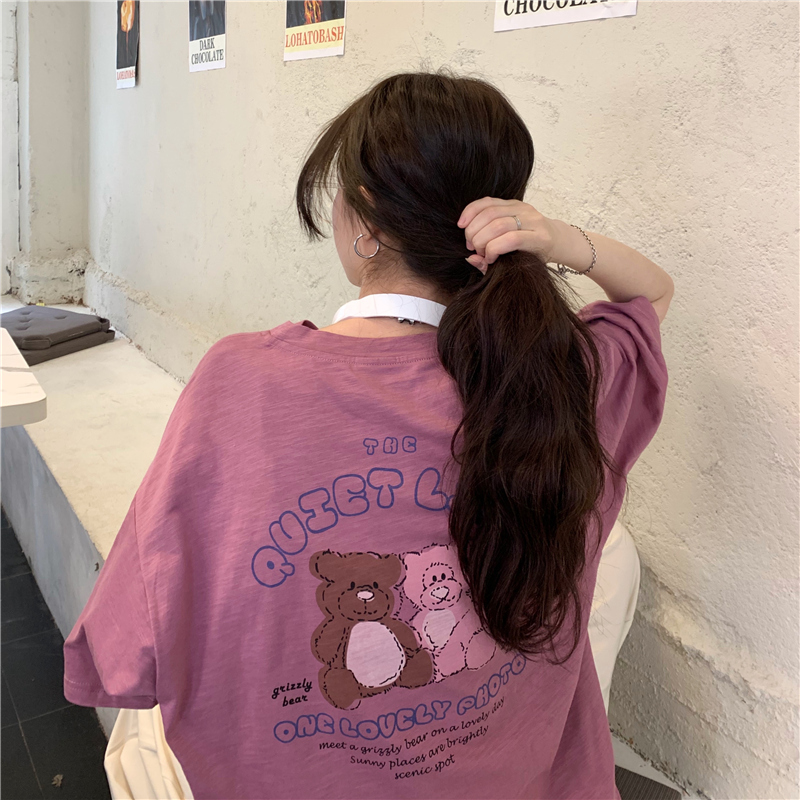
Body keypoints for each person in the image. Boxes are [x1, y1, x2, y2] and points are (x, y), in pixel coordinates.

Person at [63, 69, 672, 799]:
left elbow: (128, 645)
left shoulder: (244, 382)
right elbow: (651, 293)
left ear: (366, 222)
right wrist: (553, 239)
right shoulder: (562, 375)